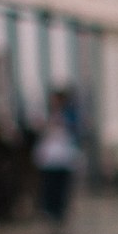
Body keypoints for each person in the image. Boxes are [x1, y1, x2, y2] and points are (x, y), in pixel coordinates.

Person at [33, 89, 81, 226]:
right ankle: (50, 208)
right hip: (50, 157)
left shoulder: (68, 114)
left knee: (61, 184)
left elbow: (74, 130)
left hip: (63, 156)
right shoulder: (48, 114)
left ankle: (59, 209)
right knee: (49, 184)